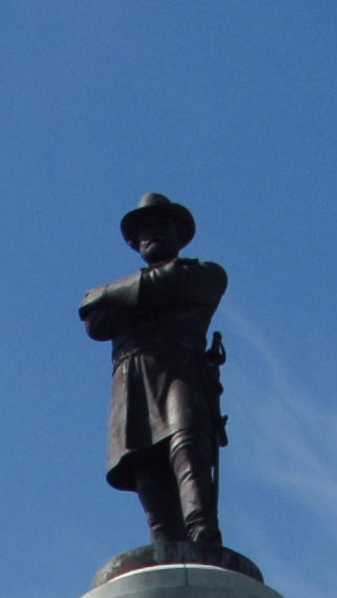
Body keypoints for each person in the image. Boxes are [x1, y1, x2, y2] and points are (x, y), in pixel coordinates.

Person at [79, 193, 230, 558]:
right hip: (131, 383)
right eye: (145, 228)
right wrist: (140, 296)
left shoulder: (203, 274)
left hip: (180, 371)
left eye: (162, 224)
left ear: (179, 235)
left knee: (186, 447)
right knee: (146, 468)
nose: (153, 232)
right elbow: (95, 323)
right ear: (135, 242)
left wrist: (106, 293)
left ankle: (203, 534)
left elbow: (171, 281)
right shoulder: (149, 288)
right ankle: (166, 550)